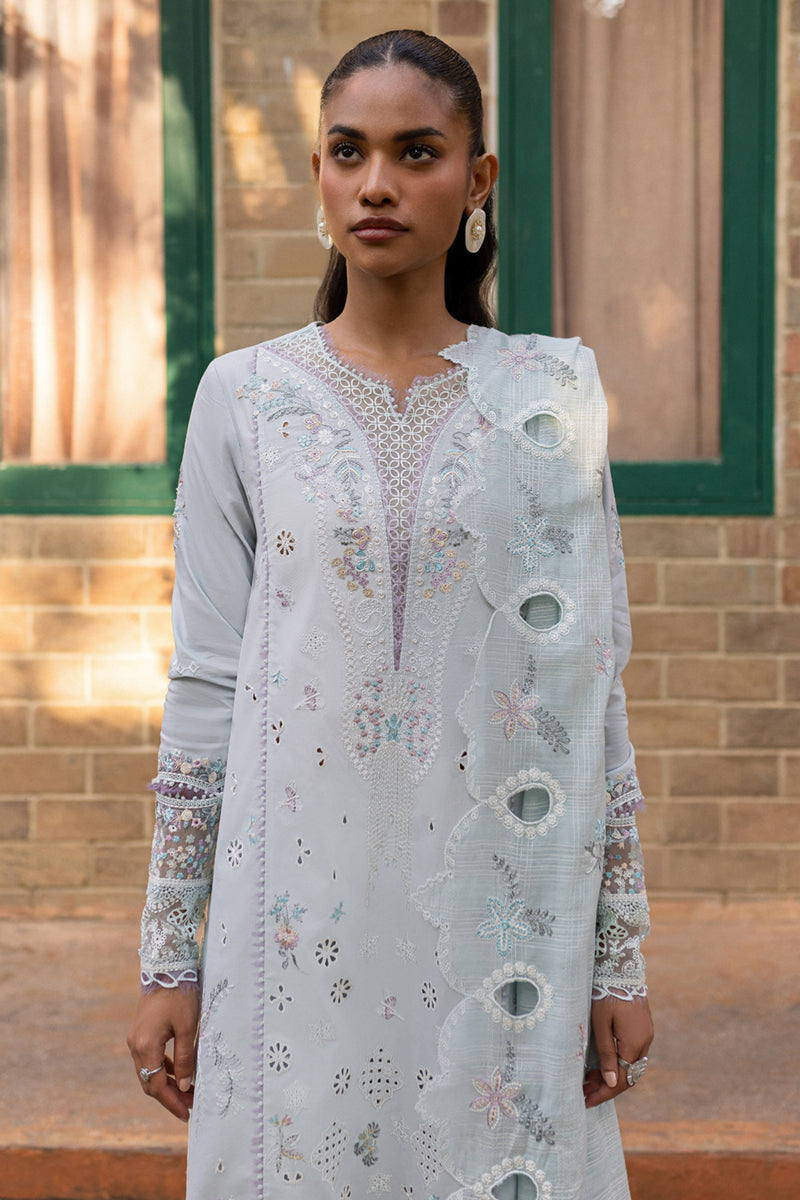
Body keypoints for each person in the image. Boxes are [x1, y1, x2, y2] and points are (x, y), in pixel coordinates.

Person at [127, 28, 654, 1200]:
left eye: (416, 152)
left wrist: (616, 959)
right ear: (317, 173)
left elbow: (587, 689)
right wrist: (170, 957)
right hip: (292, 908)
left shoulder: (546, 398)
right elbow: (205, 681)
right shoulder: (244, 400)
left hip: (496, 904)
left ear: (476, 179)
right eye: (347, 152)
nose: (376, 183)